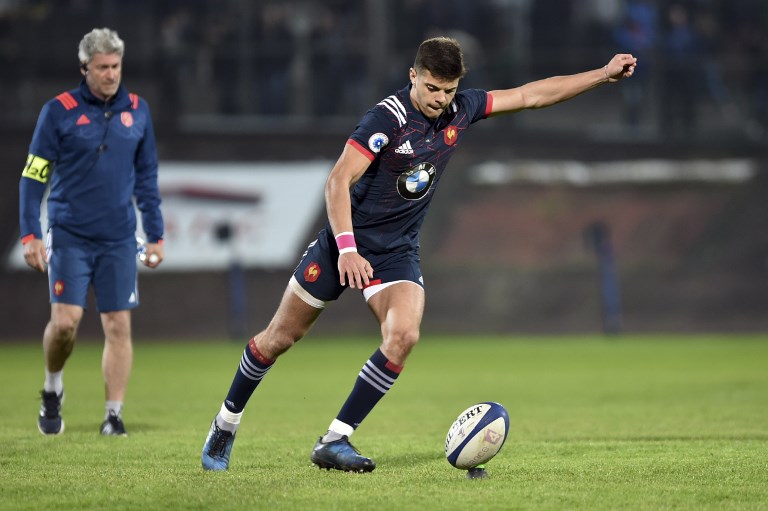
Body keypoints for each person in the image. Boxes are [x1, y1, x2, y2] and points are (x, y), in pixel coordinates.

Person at [201, 37, 637, 472]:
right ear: (413, 76)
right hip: (343, 244)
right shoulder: (385, 119)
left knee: (404, 336)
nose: (440, 100)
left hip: (396, 254)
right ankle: (226, 423)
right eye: (432, 88)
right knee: (277, 339)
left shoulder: (462, 110)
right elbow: (337, 182)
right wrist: (348, 250)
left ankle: (335, 440)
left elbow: (529, 95)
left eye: (448, 90)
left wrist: (602, 74)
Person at [19, 28, 164, 437]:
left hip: (119, 237)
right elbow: (32, 180)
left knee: (118, 324)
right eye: (102, 67)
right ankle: (52, 388)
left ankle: (113, 416)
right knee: (65, 324)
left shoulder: (138, 110)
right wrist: (30, 234)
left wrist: (156, 234)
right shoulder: (58, 111)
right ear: (84, 68)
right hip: (69, 234)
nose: (110, 74)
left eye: (116, 66)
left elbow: (148, 179)